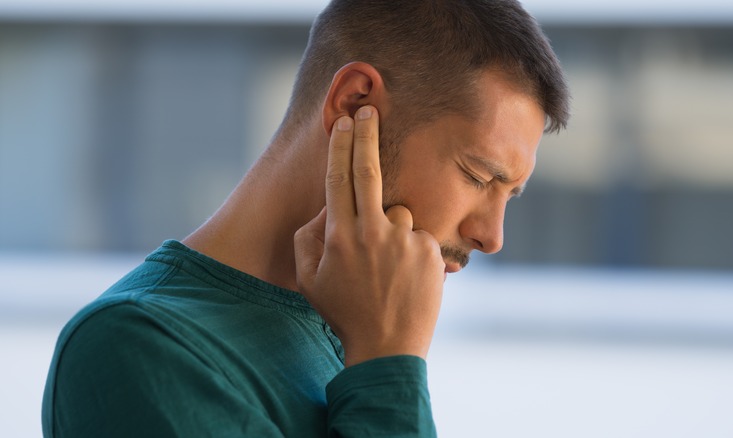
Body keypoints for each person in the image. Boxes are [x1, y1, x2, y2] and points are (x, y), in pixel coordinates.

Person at [42, 0, 569, 436]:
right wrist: (388, 368)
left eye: (511, 195)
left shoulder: (357, 323)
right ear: (353, 102)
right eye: (478, 176)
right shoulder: (138, 348)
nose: (492, 237)